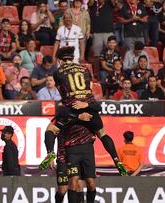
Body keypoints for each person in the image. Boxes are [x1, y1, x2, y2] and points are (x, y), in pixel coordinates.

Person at [41, 46, 128, 176]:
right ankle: (116, 159)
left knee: (51, 130)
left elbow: (63, 93)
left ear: (60, 60)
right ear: (72, 57)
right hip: (90, 107)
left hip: (73, 108)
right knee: (102, 133)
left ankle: (49, 152)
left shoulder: (58, 72)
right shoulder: (85, 69)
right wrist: (85, 103)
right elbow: (89, 87)